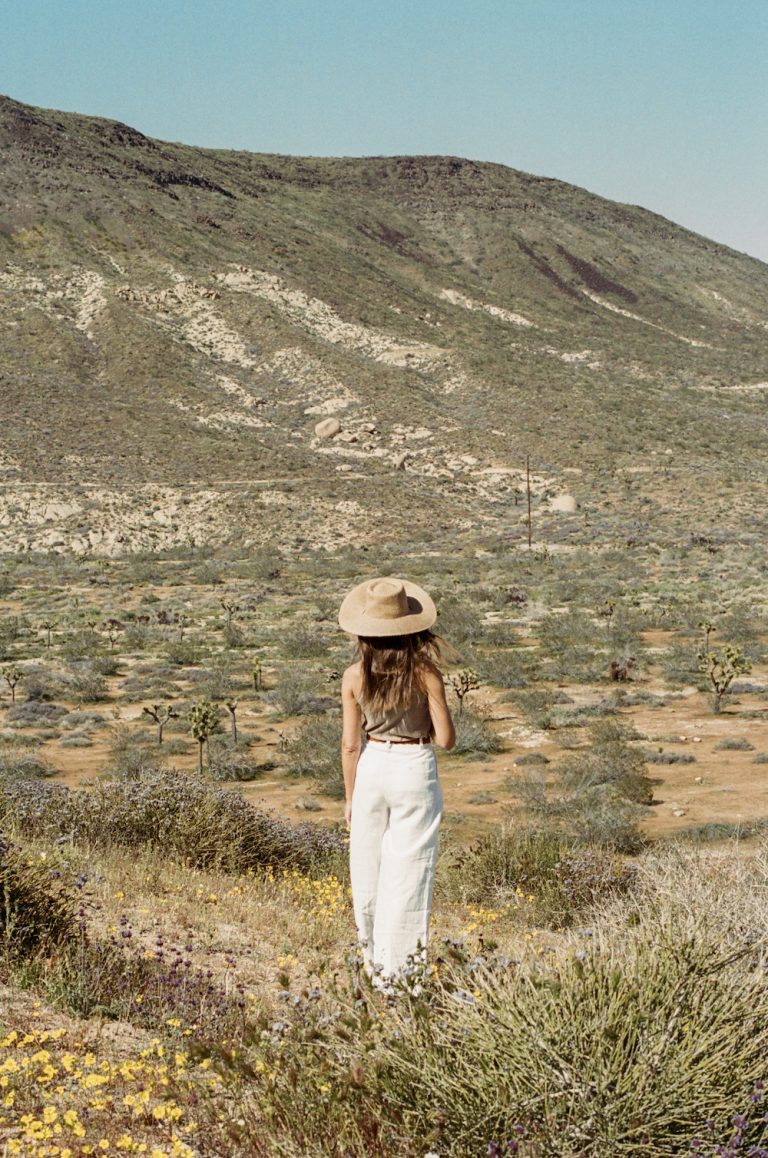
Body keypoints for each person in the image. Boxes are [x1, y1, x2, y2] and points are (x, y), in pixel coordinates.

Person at [338, 576, 455, 986]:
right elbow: (446, 740)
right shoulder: (426, 673)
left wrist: (350, 798)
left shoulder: (354, 676)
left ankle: (371, 966)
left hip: (372, 768)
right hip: (413, 766)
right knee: (409, 873)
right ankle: (402, 976)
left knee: (366, 868)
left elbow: (350, 745)